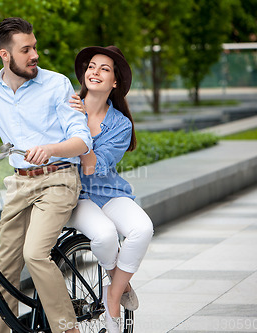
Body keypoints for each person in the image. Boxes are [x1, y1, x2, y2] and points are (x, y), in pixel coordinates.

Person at [0, 17, 92, 333]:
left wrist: (51, 148)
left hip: (58, 178)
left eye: (34, 47)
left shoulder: (57, 84)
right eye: (25, 49)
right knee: (5, 267)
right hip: (19, 183)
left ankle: (66, 328)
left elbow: (81, 139)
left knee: (35, 254)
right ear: (5, 55)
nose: (34, 55)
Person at [68, 45, 154, 332]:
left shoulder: (120, 124)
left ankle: (113, 298)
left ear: (114, 82)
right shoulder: (65, 106)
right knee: (104, 236)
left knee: (142, 228)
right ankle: (121, 278)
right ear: (84, 73)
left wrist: (80, 129)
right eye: (92, 66)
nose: (95, 72)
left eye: (104, 69)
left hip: (108, 192)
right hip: (73, 194)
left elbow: (92, 166)